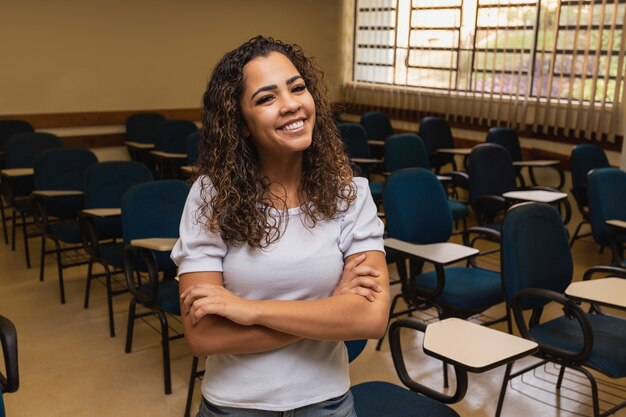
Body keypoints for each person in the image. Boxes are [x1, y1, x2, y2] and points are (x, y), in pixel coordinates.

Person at [171, 35, 389, 417]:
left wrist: (248, 310)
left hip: (328, 404)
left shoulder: (350, 195)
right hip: (234, 407)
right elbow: (204, 336)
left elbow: (370, 318)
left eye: (297, 88)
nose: (291, 105)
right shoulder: (211, 197)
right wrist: (332, 311)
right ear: (240, 123)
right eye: (266, 98)